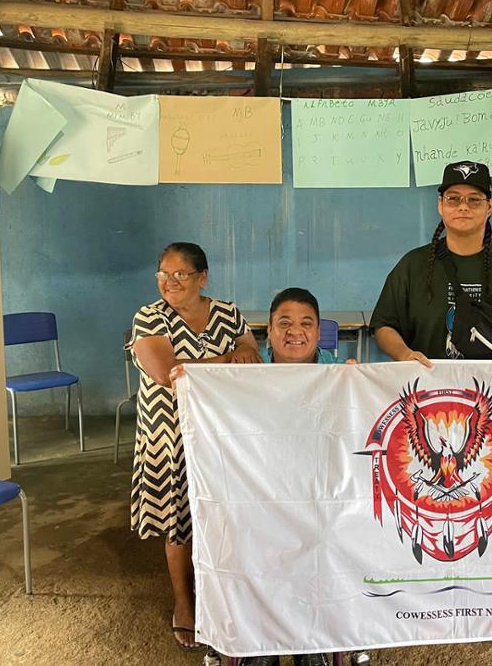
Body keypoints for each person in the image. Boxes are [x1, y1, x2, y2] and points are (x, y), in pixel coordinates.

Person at [172, 286, 349, 666]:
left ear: (319, 333)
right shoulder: (243, 374)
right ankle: (257, 647)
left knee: (325, 554)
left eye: (306, 324)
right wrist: (194, 380)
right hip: (259, 499)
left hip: (320, 501)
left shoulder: (342, 376)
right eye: (283, 323)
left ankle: (314, 647)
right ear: (269, 331)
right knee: (248, 553)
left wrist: (361, 385)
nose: (294, 332)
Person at [128, 242, 261, 652]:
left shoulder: (227, 312)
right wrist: (227, 360)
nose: (170, 282)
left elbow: (253, 355)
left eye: (180, 274)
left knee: (224, 513)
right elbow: (170, 374)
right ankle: (184, 603)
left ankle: (225, 592)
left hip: (223, 431)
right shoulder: (149, 318)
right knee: (178, 519)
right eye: (163, 274)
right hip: (170, 435)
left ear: (202, 278)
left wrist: (230, 358)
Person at [372, 160, 492, 366]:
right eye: (453, 199)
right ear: (440, 205)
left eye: (474, 200)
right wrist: (404, 354)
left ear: (490, 206)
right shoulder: (413, 265)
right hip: (427, 390)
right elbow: (384, 325)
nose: (463, 207)